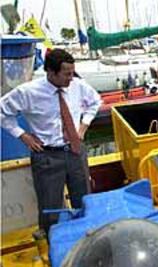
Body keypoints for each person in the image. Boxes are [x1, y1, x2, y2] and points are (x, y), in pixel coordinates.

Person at [0, 48, 102, 238]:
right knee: (50, 205)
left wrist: (83, 126)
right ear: (51, 72)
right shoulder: (27, 92)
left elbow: (95, 101)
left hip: (75, 151)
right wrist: (22, 135)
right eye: (67, 74)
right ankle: (51, 240)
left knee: (84, 198)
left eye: (72, 73)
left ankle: (88, 235)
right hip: (47, 156)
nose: (71, 78)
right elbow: (2, 112)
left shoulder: (77, 86)